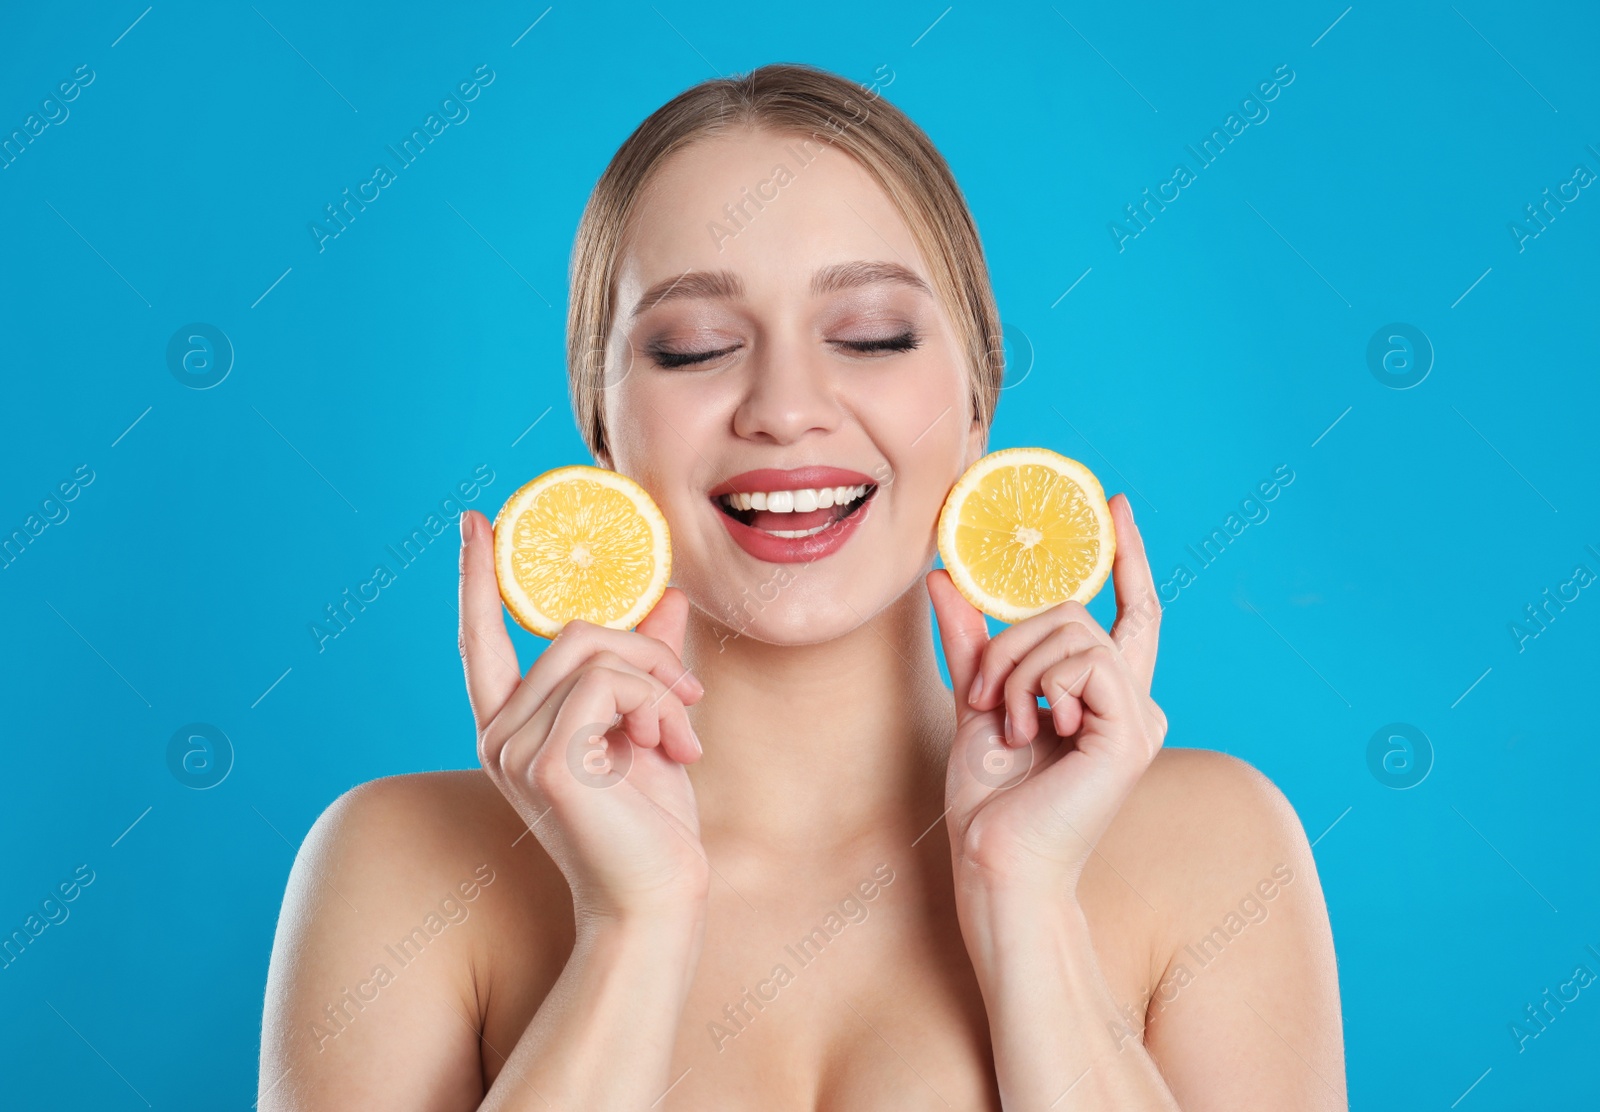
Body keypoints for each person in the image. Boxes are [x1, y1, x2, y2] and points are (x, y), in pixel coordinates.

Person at [260, 63, 1345, 1110]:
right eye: (693, 348)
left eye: (870, 335)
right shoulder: (397, 868)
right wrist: (630, 926)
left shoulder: (1212, 847)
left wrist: (1027, 903)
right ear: (602, 429)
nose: (784, 405)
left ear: (977, 403)